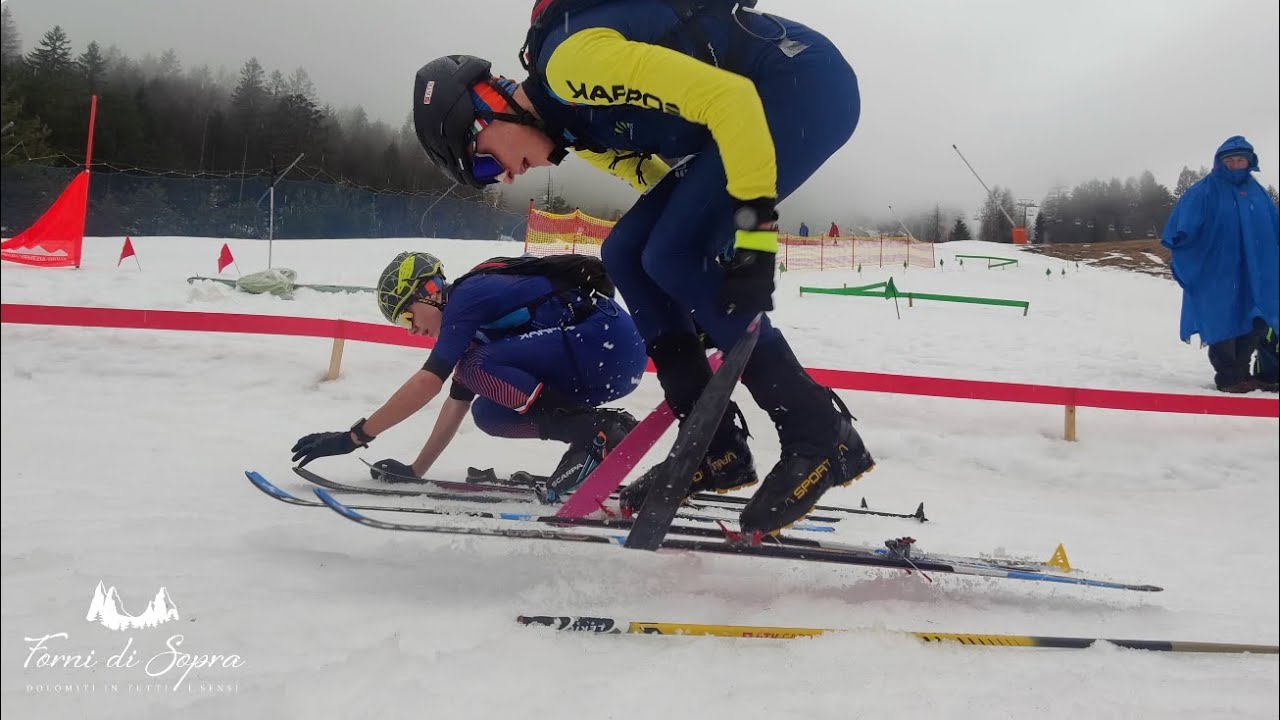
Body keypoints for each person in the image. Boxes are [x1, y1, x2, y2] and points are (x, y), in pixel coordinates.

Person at [409, 0, 874, 534]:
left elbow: (732, 98)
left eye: (486, 162)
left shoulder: (572, 67)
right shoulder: (575, 127)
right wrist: (692, 285)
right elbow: (657, 185)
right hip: (754, 108)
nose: (504, 178)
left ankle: (819, 432)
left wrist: (751, 235)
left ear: (489, 106)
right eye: (488, 178)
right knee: (628, 255)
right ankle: (715, 444)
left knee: (671, 253)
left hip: (802, 84)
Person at [290, 251, 650, 501]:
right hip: (603, 360)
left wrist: (353, 437)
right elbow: (455, 403)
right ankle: (596, 433)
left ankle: (593, 432)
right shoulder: (470, 326)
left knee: (474, 366)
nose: (410, 330)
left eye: (405, 317)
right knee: (489, 415)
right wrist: (417, 470)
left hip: (608, 342)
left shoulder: (465, 297)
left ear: (427, 294)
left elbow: (427, 383)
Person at [1162, 136, 1279, 393]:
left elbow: (1273, 225)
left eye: (1240, 159)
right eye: (1230, 160)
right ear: (1220, 162)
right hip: (1220, 272)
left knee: (1255, 320)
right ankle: (1229, 376)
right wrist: (1184, 242)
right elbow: (1182, 226)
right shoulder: (1205, 190)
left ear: (1249, 161)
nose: (1235, 164)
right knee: (1223, 322)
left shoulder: (1258, 193)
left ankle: (1243, 372)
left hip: (1255, 272)